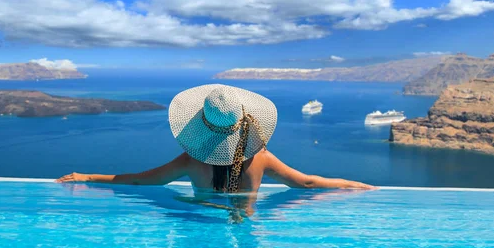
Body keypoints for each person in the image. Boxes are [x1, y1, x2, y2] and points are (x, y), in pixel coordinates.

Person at [57, 84, 376, 192]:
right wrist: (355, 185)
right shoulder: (261, 157)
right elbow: (306, 183)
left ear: (202, 125)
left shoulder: (191, 160)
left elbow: (141, 181)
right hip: (246, 231)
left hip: (201, 230)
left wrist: (86, 176)